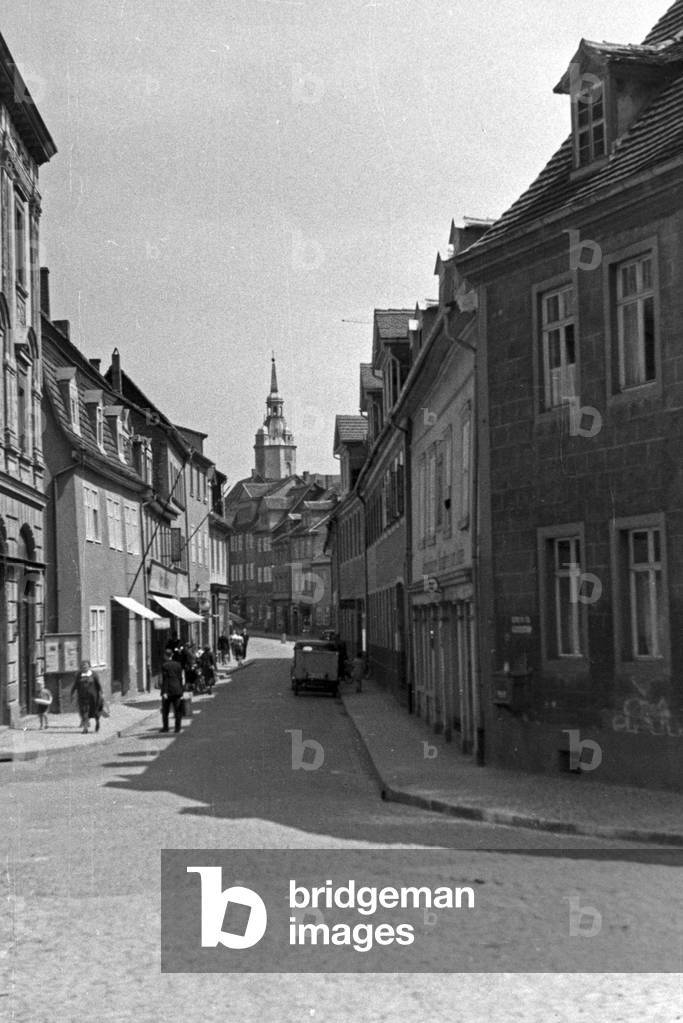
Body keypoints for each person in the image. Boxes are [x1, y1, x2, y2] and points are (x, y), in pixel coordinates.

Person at [71, 661, 103, 733]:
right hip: (82, 697)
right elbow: (75, 685)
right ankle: (85, 728)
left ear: (89, 667)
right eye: (82, 667)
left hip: (93, 697)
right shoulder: (79, 675)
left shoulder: (94, 674)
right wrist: (72, 693)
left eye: (85, 666)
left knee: (95, 711)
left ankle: (97, 722)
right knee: (84, 711)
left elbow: (98, 685)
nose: (84, 668)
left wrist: (101, 694)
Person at [160, 647, 184, 733]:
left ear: (165, 656)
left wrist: (164, 692)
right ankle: (177, 728)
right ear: (172, 655)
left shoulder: (164, 665)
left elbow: (165, 679)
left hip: (168, 690)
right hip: (177, 690)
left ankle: (166, 728)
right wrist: (182, 691)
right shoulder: (178, 665)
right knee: (178, 710)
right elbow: (180, 678)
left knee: (165, 711)